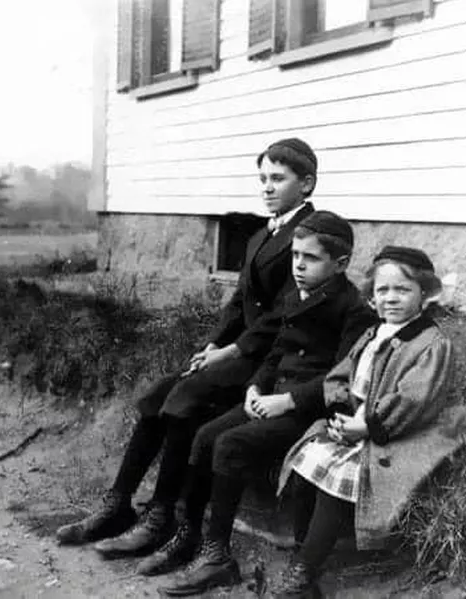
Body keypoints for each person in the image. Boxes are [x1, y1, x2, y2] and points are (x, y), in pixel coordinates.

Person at [55, 139, 319, 557]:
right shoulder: (258, 236)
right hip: (237, 351)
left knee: (185, 399)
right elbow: (240, 303)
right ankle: (118, 504)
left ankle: (161, 518)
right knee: (156, 396)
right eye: (263, 178)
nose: (267, 187)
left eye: (278, 179)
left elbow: (284, 314)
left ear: (306, 183)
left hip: (272, 359)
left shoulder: (309, 235)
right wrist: (215, 342)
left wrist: (229, 353)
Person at [155, 211, 378, 595]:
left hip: (308, 410)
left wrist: (286, 401)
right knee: (207, 436)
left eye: (310, 258)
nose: (299, 265)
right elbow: (275, 352)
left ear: (340, 264)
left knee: (230, 443)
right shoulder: (294, 294)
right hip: (271, 396)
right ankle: (196, 538)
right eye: (294, 256)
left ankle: (218, 558)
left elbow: (341, 379)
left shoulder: (352, 309)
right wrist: (256, 389)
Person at [262, 246, 466, 597]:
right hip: (360, 421)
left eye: (403, 290)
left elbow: (415, 399)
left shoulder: (430, 343)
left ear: (424, 294)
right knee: (308, 461)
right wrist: (342, 407)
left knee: (343, 476)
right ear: (372, 297)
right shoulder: (374, 334)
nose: (391, 298)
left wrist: (368, 426)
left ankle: (304, 573)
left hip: (405, 430)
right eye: (382, 290)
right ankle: (306, 553)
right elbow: (343, 374)